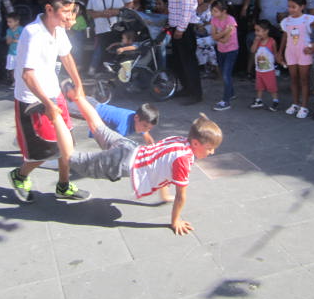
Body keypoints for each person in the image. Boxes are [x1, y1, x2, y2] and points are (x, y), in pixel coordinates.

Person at [67, 94, 222, 235]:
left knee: (97, 125)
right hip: (123, 161)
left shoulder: (179, 140)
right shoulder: (184, 160)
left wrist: (165, 195)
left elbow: (162, 169)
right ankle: (55, 116)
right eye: (210, 148)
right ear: (195, 143)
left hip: (129, 146)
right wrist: (175, 221)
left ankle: (77, 96)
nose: (212, 152)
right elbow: (181, 196)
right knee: (70, 158)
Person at [8, 0, 90, 203]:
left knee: (67, 146)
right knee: (45, 151)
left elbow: (66, 56)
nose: (69, 16)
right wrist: (48, 104)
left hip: (55, 94)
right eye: (65, 11)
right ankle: (19, 175)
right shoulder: (31, 33)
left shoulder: (59, 29)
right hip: (33, 100)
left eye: (71, 10)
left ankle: (63, 186)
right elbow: (27, 76)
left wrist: (78, 84)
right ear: (49, 9)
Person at [168, 0, 203, 104]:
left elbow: (188, 4)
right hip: (175, 22)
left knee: (188, 61)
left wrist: (181, 28)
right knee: (178, 61)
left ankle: (195, 94)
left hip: (185, 25)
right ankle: (187, 88)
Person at [278, 0, 314, 119]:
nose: (291, 9)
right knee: (294, 78)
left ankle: (304, 106)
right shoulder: (286, 21)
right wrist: (280, 52)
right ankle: (295, 103)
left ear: (302, 7)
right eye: (289, 7)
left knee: (304, 80)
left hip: (303, 52)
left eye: (294, 7)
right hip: (290, 52)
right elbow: (285, 36)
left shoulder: (308, 19)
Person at [86, 0, 133, 75]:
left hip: (119, 28)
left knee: (119, 53)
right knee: (105, 53)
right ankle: (105, 76)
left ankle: (121, 75)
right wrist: (102, 14)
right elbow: (89, 11)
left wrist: (116, 12)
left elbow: (130, 4)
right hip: (102, 29)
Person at [211, 0, 238, 111]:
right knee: (224, 73)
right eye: (212, 10)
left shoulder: (231, 20)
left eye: (215, 11)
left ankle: (226, 101)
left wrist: (219, 36)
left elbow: (226, 39)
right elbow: (214, 36)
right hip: (220, 50)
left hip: (231, 50)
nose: (213, 13)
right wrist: (224, 32)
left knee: (226, 74)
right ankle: (231, 93)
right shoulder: (214, 20)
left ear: (224, 11)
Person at [249, 19, 279, 111]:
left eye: (258, 31)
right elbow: (252, 51)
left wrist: (279, 62)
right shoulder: (257, 42)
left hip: (269, 69)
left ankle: (275, 100)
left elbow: (275, 53)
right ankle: (259, 100)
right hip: (259, 69)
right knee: (259, 86)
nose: (256, 33)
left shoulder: (271, 41)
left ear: (266, 31)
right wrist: (255, 42)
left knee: (271, 86)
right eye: (255, 30)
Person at [195, 0, 218, 79]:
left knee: (204, 42)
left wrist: (203, 25)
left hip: (209, 31)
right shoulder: (190, 8)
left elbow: (214, 21)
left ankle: (207, 67)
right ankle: (212, 67)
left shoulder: (209, 7)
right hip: (196, 32)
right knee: (203, 43)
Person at [5, 12, 23, 89]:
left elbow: (23, 40)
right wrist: (14, 40)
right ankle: (15, 81)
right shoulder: (8, 30)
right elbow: (8, 41)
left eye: (10, 22)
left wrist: (14, 40)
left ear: (17, 21)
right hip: (11, 52)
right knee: (12, 68)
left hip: (20, 53)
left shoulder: (22, 29)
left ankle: (21, 82)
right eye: (8, 22)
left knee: (20, 68)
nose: (8, 24)